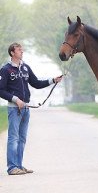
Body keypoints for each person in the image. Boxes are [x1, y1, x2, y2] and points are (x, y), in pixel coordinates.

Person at [0, 42, 62, 175]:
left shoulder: (25, 68)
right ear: (12, 52)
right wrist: (16, 100)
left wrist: (53, 80)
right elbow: (1, 90)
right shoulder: (5, 70)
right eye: (19, 50)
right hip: (14, 109)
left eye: (22, 49)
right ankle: (12, 168)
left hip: (26, 109)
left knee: (22, 139)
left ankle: (19, 166)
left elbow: (36, 83)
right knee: (13, 138)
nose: (22, 51)